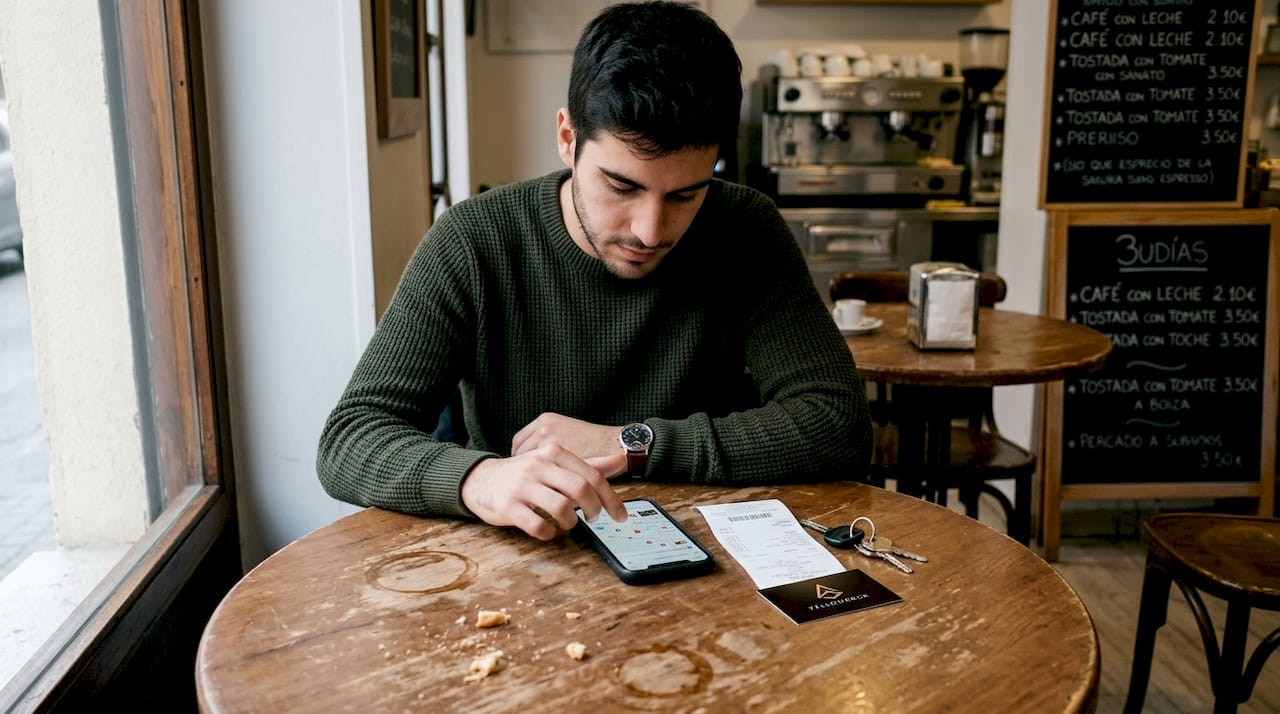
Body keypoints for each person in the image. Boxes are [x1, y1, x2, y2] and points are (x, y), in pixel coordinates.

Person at [317, 0, 872, 541]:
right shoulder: (473, 240)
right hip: (528, 547)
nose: (650, 231)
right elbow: (351, 438)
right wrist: (477, 478)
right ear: (568, 138)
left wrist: (631, 444)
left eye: (685, 195)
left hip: (705, 547)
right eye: (621, 186)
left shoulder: (746, 228)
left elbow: (836, 422)